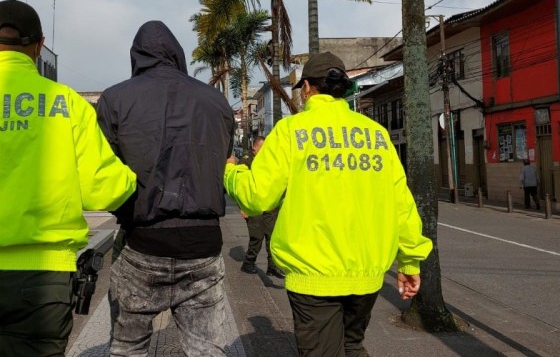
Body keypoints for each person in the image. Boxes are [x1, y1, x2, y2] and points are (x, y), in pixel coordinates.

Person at [0, 0, 137, 356]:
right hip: (42, 281)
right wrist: (136, 177)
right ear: (39, 45)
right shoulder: (69, 106)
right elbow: (104, 189)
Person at [224, 52, 433, 357]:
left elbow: (257, 197)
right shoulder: (376, 135)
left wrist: (231, 171)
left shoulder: (291, 132)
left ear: (307, 87)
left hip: (313, 276)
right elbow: (402, 203)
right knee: (352, 346)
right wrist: (411, 261)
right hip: (367, 274)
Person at [96, 20, 235, 357]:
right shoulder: (215, 101)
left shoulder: (114, 99)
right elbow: (222, 159)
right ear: (177, 54)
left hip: (141, 240)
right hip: (202, 242)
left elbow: (106, 172)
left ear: (136, 55)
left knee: (128, 346)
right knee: (207, 350)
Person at [238, 136, 285, 279]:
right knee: (257, 236)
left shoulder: (268, 161)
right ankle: (248, 262)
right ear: (254, 148)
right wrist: (243, 207)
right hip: (254, 206)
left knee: (272, 237)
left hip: (269, 206)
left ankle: (272, 267)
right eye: (262, 148)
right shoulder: (246, 161)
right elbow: (241, 185)